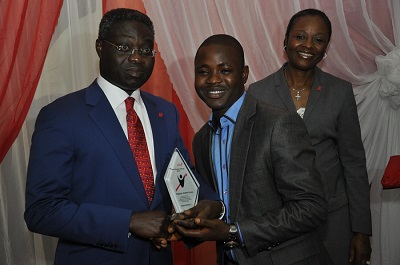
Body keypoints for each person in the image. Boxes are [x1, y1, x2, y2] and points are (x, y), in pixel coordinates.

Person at [24, 8, 221, 265]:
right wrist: (128, 222)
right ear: (99, 48)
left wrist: (214, 205)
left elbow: (182, 180)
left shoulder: (165, 112)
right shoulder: (61, 116)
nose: (137, 58)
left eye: (146, 49)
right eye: (124, 47)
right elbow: (42, 210)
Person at [172, 34, 332, 265]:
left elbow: (311, 208)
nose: (213, 80)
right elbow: (223, 204)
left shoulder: (278, 123)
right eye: (203, 72)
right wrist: (193, 220)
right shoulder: (202, 139)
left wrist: (234, 232)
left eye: (225, 70)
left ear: (244, 74)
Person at [248, 8, 372, 265]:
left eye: (318, 39)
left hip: (334, 219)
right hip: (281, 221)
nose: (308, 45)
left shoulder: (340, 92)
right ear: (285, 41)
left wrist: (361, 230)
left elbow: (354, 163)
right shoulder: (258, 93)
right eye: (300, 36)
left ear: (326, 47)